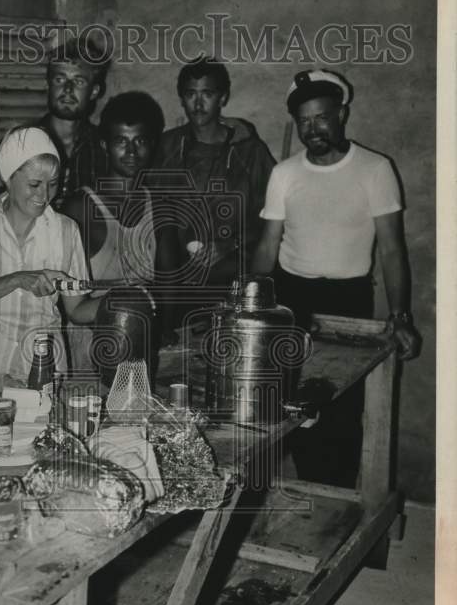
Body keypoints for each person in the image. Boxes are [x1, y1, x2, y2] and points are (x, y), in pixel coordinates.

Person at [252, 68, 421, 485]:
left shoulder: (375, 169)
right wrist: (250, 305)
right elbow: (268, 245)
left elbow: (392, 250)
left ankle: (338, 498)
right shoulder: (285, 174)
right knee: (289, 405)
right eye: (304, 121)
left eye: (321, 118)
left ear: (341, 114)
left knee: (341, 409)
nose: (313, 129)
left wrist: (400, 316)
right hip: (292, 300)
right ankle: (304, 493)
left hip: (349, 301)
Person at [0, 126, 102, 428]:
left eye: (52, 185)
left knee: (38, 450)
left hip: (40, 372)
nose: (44, 196)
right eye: (34, 184)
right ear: (7, 178)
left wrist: (116, 302)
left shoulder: (65, 231)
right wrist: (15, 279)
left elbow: (77, 309)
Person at [153, 59, 276, 344]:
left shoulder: (249, 152)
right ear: (181, 98)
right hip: (177, 285)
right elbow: (152, 211)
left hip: (231, 280)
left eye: (207, 94)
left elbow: (272, 218)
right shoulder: (166, 147)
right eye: (190, 94)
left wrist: (229, 244)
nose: (198, 103)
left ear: (223, 97)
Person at [61, 91, 163, 375]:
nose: (131, 152)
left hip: (141, 341)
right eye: (121, 141)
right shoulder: (81, 208)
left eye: (140, 141)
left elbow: (168, 285)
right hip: (90, 345)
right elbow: (69, 301)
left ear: (152, 144)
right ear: (105, 145)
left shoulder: (158, 207)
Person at [0, 34, 109, 209]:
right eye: (60, 79)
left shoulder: (105, 148)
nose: (68, 89)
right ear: (49, 84)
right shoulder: (17, 143)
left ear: (94, 91)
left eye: (79, 81)